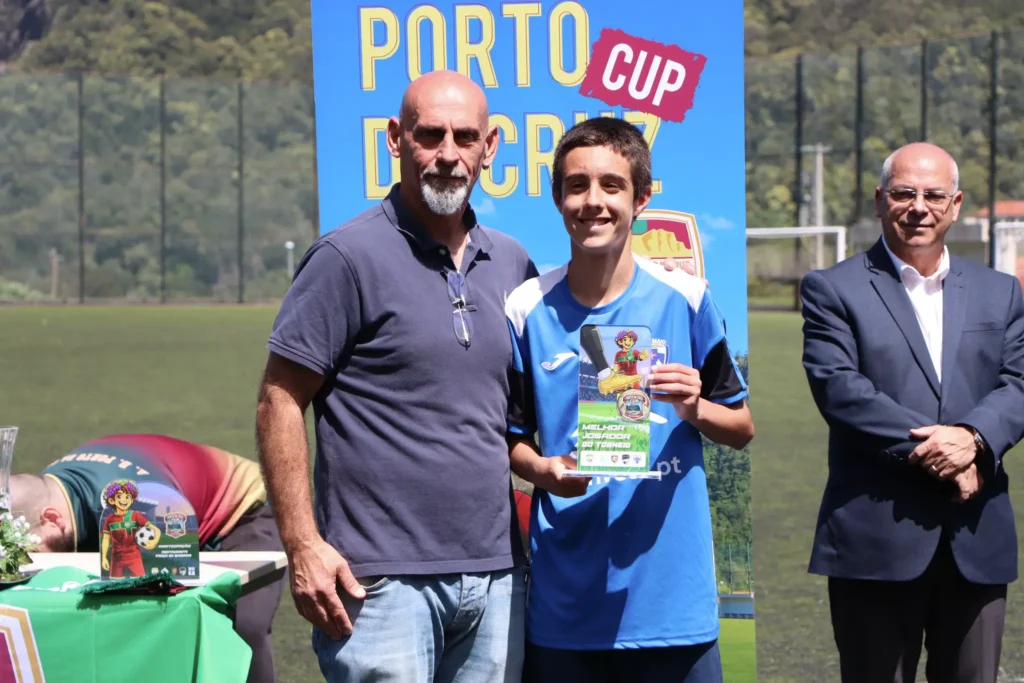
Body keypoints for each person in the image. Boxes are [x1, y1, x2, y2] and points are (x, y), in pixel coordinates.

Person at [255, 70, 536, 683]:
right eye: (429, 134)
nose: (448, 154)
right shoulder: (346, 258)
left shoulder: (514, 263)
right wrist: (302, 544)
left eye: (465, 138)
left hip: (497, 579)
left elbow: (523, 417)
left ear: (489, 148)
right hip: (379, 585)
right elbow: (279, 399)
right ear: (395, 139)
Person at [504, 116, 754, 683]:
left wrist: (695, 408)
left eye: (611, 185)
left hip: (673, 608)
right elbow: (509, 439)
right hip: (566, 611)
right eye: (577, 185)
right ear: (558, 198)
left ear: (640, 198)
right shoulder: (524, 309)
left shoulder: (687, 299)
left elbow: (740, 428)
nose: (593, 202)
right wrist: (541, 470)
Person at [799, 141, 1024, 683]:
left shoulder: (1002, 293)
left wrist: (972, 437)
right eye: (903, 193)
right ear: (880, 201)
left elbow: (1018, 383)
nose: (917, 206)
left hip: (976, 534)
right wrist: (946, 451)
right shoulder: (832, 288)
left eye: (932, 195)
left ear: (955, 204)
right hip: (875, 539)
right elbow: (840, 390)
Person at [9, 433, 284, 683]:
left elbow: (169, 602)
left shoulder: (136, 503)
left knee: (244, 625)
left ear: (51, 518)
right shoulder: (44, 494)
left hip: (243, 512)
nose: (25, 561)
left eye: (29, 550)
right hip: (173, 507)